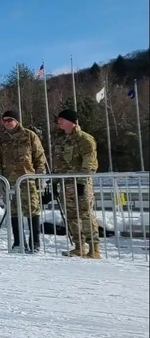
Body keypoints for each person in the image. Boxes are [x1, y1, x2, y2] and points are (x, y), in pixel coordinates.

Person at [0, 109, 46, 252]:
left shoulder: (29, 135)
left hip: (28, 180)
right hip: (9, 182)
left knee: (32, 210)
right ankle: (18, 242)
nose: (7, 123)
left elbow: (39, 157)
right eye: (4, 120)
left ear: (17, 121)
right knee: (14, 211)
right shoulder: (1, 138)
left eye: (10, 120)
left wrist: (40, 176)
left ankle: (35, 242)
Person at [52, 109, 100, 258]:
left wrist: (81, 182)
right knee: (71, 216)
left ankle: (94, 249)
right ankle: (79, 246)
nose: (58, 121)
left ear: (72, 121)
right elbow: (58, 163)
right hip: (65, 185)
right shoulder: (61, 140)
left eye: (62, 119)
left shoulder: (85, 139)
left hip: (80, 185)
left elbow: (90, 162)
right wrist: (54, 181)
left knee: (85, 214)